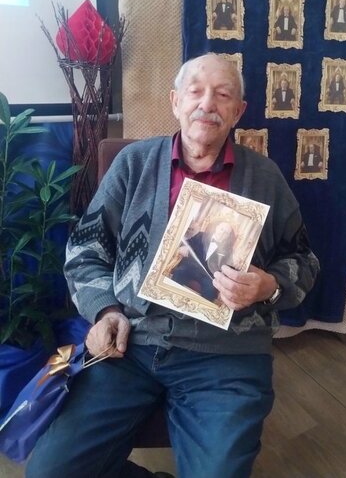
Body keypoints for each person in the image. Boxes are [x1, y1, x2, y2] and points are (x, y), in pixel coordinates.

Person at [26, 53, 319, 478]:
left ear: (239, 111)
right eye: (195, 91)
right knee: (48, 473)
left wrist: (269, 286)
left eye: (223, 95)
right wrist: (106, 311)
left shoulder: (265, 178)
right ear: (175, 101)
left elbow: (304, 259)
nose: (207, 104)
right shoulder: (135, 164)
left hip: (226, 354)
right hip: (131, 343)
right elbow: (85, 248)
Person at [170, 221, 237, 302]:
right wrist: (185, 247)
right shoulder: (201, 235)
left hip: (207, 275)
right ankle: (170, 297)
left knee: (210, 291)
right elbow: (188, 243)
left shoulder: (227, 250)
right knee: (179, 272)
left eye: (226, 232)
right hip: (190, 267)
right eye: (221, 229)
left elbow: (227, 266)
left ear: (227, 236)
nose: (222, 233)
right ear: (217, 228)